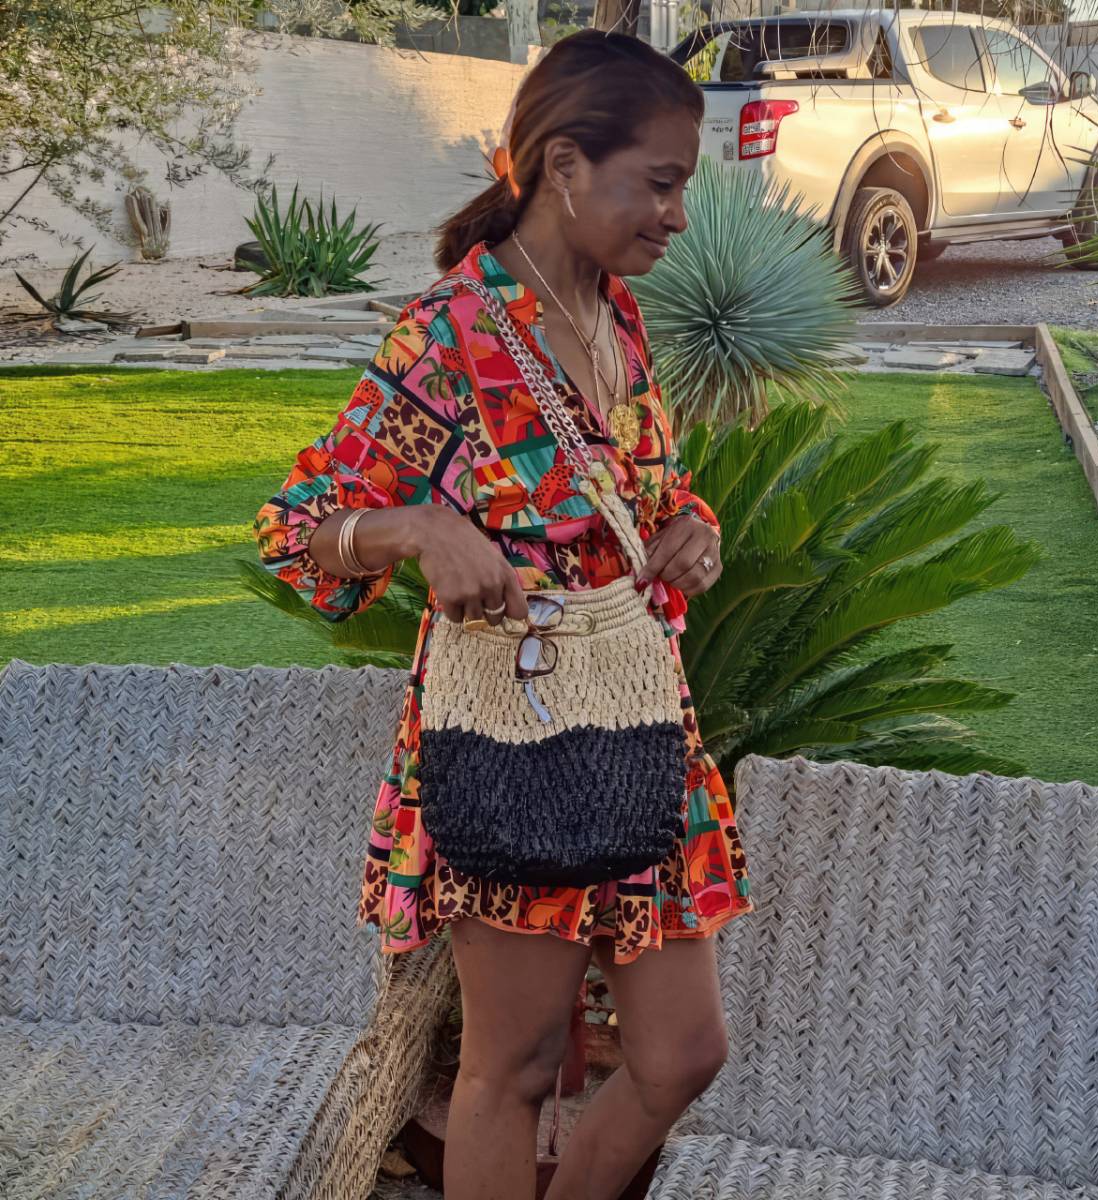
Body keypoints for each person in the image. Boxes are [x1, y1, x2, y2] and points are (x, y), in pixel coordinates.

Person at [253, 29, 753, 1200]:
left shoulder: (616, 317)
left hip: (638, 728)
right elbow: (295, 525)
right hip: (513, 737)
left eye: (684, 186)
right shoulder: (452, 333)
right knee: (514, 1069)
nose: (678, 217)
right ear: (565, 164)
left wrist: (696, 528)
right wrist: (416, 529)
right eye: (660, 183)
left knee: (683, 1054)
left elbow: (647, 494)